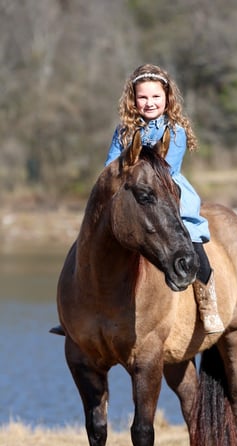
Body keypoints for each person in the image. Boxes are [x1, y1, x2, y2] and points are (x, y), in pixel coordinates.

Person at [51, 64, 223, 336]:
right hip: (131, 191)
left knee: (190, 239)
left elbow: (165, 169)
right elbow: (111, 165)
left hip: (164, 192)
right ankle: (76, 310)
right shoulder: (124, 130)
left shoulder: (174, 131)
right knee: (90, 239)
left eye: (156, 97)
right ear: (133, 99)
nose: (149, 103)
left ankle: (207, 302)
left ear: (167, 98)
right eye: (143, 97)